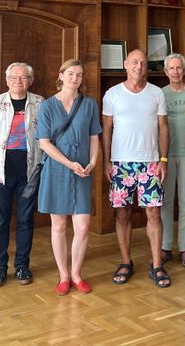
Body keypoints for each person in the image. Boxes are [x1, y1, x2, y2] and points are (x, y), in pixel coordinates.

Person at [102, 49, 171, 288]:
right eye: (134, 62)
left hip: (150, 162)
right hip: (121, 164)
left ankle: (157, 264)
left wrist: (163, 159)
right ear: (125, 65)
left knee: (153, 213)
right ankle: (125, 261)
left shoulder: (156, 94)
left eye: (142, 62)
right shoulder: (112, 94)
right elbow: (107, 129)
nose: (138, 66)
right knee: (123, 214)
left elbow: (163, 127)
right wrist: (107, 161)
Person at [36, 59, 101, 295]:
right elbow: (44, 143)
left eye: (79, 75)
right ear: (61, 75)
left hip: (83, 170)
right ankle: (63, 275)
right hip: (56, 171)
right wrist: (68, 163)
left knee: (83, 228)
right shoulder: (47, 106)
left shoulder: (90, 104)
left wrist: (93, 162)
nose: (75, 78)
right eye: (71, 74)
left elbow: (94, 137)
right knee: (59, 225)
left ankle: (76, 274)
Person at [0, 62, 44, 287]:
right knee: (1, 221)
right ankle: (0, 268)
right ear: (7, 80)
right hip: (2, 173)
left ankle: (22, 266)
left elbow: (47, 136)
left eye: (24, 77)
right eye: (14, 77)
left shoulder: (40, 103)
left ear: (31, 80)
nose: (18, 81)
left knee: (26, 220)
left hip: (29, 171)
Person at [161, 53, 185, 268]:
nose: (175, 72)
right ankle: (165, 246)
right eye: (171, 68)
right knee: (165, 202)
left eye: (178, 68)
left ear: (184, 70)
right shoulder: (159, 94)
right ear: (165, 72)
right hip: (165, 155)